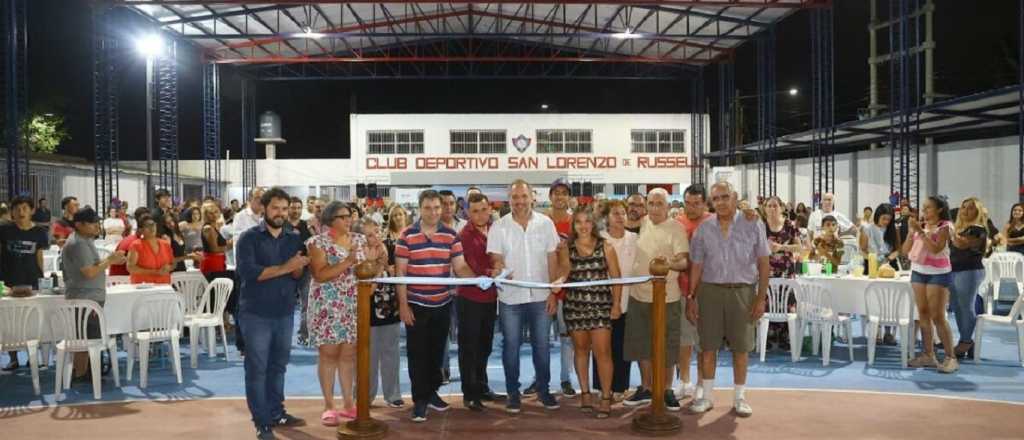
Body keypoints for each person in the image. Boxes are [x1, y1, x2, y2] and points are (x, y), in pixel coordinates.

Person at [687, 181, 770, 417]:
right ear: (711, 202)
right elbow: (696, 266)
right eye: (716, 198)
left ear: (735, 197)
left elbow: (764, 263)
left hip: (743, 292)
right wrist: (691, 297)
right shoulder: (703, 229)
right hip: (709, 292)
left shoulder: (753, 223)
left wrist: (760, 298)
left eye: (725, 197)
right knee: (708, 347)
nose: (721, 202)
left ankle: (740, 397)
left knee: (741, 348)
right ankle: (707, 397)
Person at [235, 187, 310, 440]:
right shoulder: (248, 238)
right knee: (257, 369)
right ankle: (262, 421)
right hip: (255, 313)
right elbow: (249, 273)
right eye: (275, 208)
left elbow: (296, 275)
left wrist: (300, 266)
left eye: (284, 209)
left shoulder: (293, 238)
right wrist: (287, 267)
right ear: (264, 209)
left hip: (285, 312)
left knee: (278, 366)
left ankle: (277, 412)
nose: (280, 213)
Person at [396, 190, 477, 422]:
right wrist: (403, 305)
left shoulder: (451, 235)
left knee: (436, 354)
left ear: (442, 209)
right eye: (428, 208)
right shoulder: (406, 236)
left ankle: (431, 393)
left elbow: (460, 267)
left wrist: (478, 279)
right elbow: (400, 272)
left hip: (442, 304)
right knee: (417, 354)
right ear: (419, 209)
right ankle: (419, 401)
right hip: (416, 304)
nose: (433, 212)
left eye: (436, 208)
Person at [486, 180, 562, 414]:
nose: (519, 201)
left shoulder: (546, 224)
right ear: (509, 199)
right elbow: (495, 258)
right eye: (515, 197)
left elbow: (553, 259)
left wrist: (553, 292)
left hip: (541, 296)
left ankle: (544, 390)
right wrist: (499, 268)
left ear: (532, 197)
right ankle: (513, 393)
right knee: (510, 348)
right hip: (510, 299)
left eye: (523, 196)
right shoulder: (498, 226)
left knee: (543, 347)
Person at [307, 202, 376, 425]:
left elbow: (366, 268)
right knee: (328, 354)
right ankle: (329, 405)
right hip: (327, 304)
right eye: (343, 216)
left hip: (353, 303)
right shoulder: (317, 243)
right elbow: (320, 275)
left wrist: (375, 264)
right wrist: (348, 261)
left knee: (348, 354)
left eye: (350, 215)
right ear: (330, 220)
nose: (348, 219)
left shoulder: (359, 239)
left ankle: (348, 404)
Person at [622, 188, 688, 412]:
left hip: (667, 298)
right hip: (638, 295)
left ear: (668, 206)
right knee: (641, 345)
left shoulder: (676, 228)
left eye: (660, 203)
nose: (655, 208)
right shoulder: (640, 224)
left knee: (668, 346)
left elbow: (683, 261)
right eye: (651, 203)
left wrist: (669, 265)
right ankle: (647, 387)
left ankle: (667, 389)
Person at [552, 209, 622, 419]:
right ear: (573, 225)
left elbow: (616, 277)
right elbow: (564, 268)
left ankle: (606, 397)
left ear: (593, 224)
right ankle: (585, 393)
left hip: (601, 307)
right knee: (581, 351)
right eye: (578, 222)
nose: (583, 226)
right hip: (575, 308)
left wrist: (616, 305)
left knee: (603, 352)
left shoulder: (606, 246)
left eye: (587, 222)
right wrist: (559, 280)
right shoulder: (566, 247)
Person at [62, 207, 127, 381]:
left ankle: (84, 373)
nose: (97, 226)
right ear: (79, 224)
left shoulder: (84, 240)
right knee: (86, 340)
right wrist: (110, 260)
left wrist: (110, 260)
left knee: (86, 338)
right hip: (85, 298)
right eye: (92, 223)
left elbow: (94, 266)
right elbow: (89, 272)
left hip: (88, 297)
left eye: (97, 222)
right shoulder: (79, 244)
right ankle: (82, 375)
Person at [455, 192, 504, 412]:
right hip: (469, 298)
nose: (481, 214)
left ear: (490, 209)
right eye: (475, 211)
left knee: (485, 345)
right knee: (469, 347)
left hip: (490, 297)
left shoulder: (496, 229)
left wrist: (501, 269)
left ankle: (482, 387)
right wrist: (492, 271)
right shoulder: (464, 235)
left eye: (484, 209)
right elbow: (470, 265)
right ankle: (470, 393)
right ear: (468, 212)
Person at [901, 196, 958, 373]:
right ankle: (928, 355)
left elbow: (936, 249)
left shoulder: (945, 226)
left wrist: (920, 231)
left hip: (938, 274)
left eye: (928, 208)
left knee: (938, 316)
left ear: (939, 209)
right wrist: (911, 233)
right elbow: (905, 251)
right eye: (923, 208)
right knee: (923, 314)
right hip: (918, 272)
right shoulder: (921, 226)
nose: (924, 211)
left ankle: (951, 357)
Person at [671, 184, 713, 400]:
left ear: (704, 203)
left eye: (696, 203)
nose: (691, 207)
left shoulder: (714, 222)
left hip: (708, 290)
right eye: (687, 203)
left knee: (704, 341)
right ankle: (684, 381)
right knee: (684, 339)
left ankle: (701, 384)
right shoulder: (676, 223)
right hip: (682, 288)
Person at [595, 200, 637, 402]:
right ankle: (601, 387)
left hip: (629, 301)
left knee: (622, 347)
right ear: (607, 218)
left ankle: (620, 386)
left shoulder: (635, 238)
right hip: (602, 302)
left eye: (623, 213)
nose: (620, 217)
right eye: (615, 213)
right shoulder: (599, 239)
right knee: (602, 347)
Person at [0, 197, 49, 371]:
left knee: (32, 320)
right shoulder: (4, 230)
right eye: (17, 209)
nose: (21, 212)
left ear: (32, 210)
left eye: (25, 208)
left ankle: (32, 357)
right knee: (9, 320)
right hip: (8, 279)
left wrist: (42, 277)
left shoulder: (40, 232)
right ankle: (13, 358)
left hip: (32, 279)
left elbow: (39, 256)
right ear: (12, 212)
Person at [365, 216, 404, 410]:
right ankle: (364, 396)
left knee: (392, 354)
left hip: (391, 312)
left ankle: (393, 394)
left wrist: (389, 267)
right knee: (368, 356)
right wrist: (380, 266)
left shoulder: (391, 248)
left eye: (378, 232)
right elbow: (368, 290)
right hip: (367, 314)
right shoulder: (358, 259)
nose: (377, 237)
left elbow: (400, 279)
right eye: (370, 235)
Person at [543, 178, 577, 398]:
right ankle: (540, 379)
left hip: (567, 287)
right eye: (556, 192)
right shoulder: (541, 220)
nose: (560, 196)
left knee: (566, 337)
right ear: (550, 196)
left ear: (569, 197)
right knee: (541, 338)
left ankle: (566, 378)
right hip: (544, 286)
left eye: (564, 193)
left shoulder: (575, 223)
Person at [948, 197, 990, 359]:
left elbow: (961, 244)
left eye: (970, 208)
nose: (965, 210)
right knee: (957, 307)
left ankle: (965, 341)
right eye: (963, 207)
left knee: (966, 307)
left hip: (970, 271)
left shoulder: (978, 229)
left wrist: (949, 230)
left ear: (977, 211)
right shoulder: (959, 228)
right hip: (953, 271)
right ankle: (967, 340)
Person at [437, 190, 467, 384]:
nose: (448, 207)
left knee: (465, 331)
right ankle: (443, 370)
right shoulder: (432, 227)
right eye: (444, 203)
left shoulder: (465, 226)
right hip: (440, 287)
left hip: (464, 286)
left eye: (451, 203)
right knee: (442, 332)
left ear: (456, 205)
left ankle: (467, 371)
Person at [287, 197, 314, 344]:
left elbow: (313, 247)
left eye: (298, 208)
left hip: (305, 270)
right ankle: (284, 336)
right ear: (288, 209)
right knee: (285, 305)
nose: (296, 210)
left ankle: (304, 335)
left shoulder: (306, 226)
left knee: (306, 304)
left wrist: (305, 261)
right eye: (293, 207)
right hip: (286, 270)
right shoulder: (281, 226)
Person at [126, 215, 176, 284]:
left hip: (164, 285)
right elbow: (130, 268)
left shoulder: (165, 244)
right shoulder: (136, 245)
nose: (151, 228)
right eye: (147, 226)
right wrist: (156, 272)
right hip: (143, 286)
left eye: (153, 225)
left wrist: (169, 267)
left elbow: (173, 264)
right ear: (141, 230)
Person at [764, 196, 802, 278]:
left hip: (786, 272)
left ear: (781, 208)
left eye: (775, 206)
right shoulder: (760, 226)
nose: (772, 208)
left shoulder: (790, 225)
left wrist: (781, 247)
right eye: (769, 206)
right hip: (765, 271)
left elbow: (799, 247)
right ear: (765, 209)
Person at [860, 203, 902, 270]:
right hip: (871, 263)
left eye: (889, 219)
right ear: (877, 216)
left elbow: (898, 249)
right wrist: (873, 259)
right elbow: (863, 249)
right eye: (883, 218)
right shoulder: (867, 229)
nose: (886, 222)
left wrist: (889, 258)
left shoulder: (894, 229)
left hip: (890, 263)